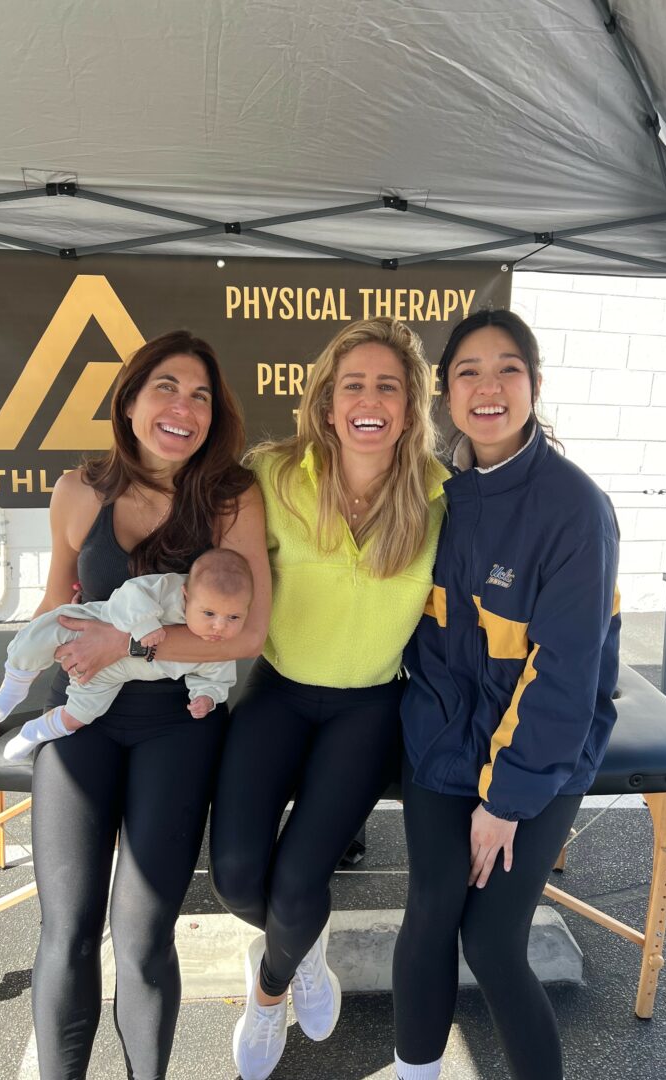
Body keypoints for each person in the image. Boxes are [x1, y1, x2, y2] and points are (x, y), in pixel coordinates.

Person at [0, 330, 271, 1080]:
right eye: (166, 387)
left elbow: (247, 634)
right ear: (129, 400)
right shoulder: (79, 489)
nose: (183, 407)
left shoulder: (231, 499)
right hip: (81, 717)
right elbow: (53, 609)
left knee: (144, 936)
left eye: (201, 396)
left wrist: (130, 647)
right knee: (67, 930)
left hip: (176, 725)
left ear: (214, 417)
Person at [208, 317, 449, 1080]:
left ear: (409, 408)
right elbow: (214, 577)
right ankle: (304, 948)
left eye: (388, 386)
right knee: (236, 876)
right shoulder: (273, 475)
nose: (369, 400)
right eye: (354, 385)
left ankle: (270, 989)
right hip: (277, 692)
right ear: (326, 401)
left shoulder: (441, 495)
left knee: (297, 883)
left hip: (367, 709)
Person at [391, 309, 621, 1080]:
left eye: (507, 370)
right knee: (430, 914)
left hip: (537, 759)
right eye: (469, 372)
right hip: (440, 741)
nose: (488, 387)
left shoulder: (575, 508)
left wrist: (505, 801)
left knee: (491, 941)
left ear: (535, 384)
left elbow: (566, 675)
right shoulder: (433, 492)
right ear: (445, 392)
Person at [0, 547, 252, 762]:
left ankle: (35, 731)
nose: (219, 627)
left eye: (234, 617)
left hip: (114, 674)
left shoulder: (219, 647)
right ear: (187, 595)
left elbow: (215, 677)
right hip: (94, 626)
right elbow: (130, 594)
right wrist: (144, 625)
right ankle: (10, 692)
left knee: (81, 714)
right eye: (209, 613)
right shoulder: (170, 589)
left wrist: (206, 697)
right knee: (43, 633)